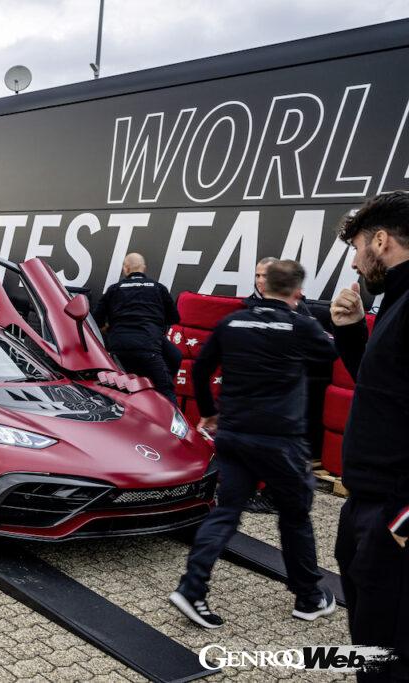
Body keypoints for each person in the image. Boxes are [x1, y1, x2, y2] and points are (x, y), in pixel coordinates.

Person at [169, 260, 338, 629]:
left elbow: (198, 368)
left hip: (234, 433)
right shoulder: (301, 325)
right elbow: (330, 358)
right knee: (295, 517)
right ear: (297, 292)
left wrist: (210, 412)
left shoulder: (232, 322)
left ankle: (191, 588)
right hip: (281, 441)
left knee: (226, 511)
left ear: (263, 286)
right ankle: (308, 598)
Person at [330, 191, 409, 682]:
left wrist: (402, 517)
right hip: (367, 504)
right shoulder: (398, 303)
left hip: (395, 510)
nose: (356, 260)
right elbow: (385, 395)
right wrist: (352, 333)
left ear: (380, 240)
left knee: (390, 656)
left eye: (358, 247)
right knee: (371, 644)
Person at [93, 253, 181, 401]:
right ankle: (157, 398)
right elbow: (174, 318)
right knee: (167, 392)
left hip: (119, 348)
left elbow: (96, 320)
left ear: (125, 269)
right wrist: (155, 324)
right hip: (149, 346)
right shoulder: (158, 288)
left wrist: (109, 328)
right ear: (143, 268)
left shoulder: (114, 289)